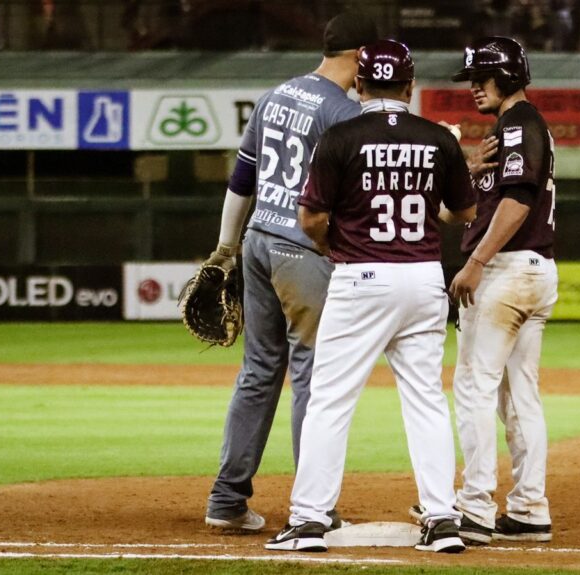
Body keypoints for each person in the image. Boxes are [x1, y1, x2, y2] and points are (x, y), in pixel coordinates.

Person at [264, 39, 476, 554]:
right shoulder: (437, 139)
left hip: (360, 276)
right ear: (410, 85)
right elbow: (465, 213)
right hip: (423, 277)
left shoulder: (340, 137)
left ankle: (309, 520)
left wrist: (329, 245)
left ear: (359, 85)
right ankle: (442, 519)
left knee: (330, 401)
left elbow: (311, 218)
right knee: (426, 401)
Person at [202, 13, 378, 533]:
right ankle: (313, 508)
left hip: (257, 240)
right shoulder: (343, 112)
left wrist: (225, 249)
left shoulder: (274, 95)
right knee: (313, 380)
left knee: (258, 373)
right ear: (360, 55)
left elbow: (242, 178)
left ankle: (226, 500)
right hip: (302, 252)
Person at [446, 36, 559, 545]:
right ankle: (530, 508)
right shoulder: (511, 130)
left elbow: (518, 200)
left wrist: (476, 262)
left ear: (508, 76)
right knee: (518, 397)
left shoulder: (518, 124)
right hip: (531, 271)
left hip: (506, 271)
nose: (474, 87)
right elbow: (461, 211)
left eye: (482, 77)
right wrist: (466, 171)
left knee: (474, 387)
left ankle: (474, 508)